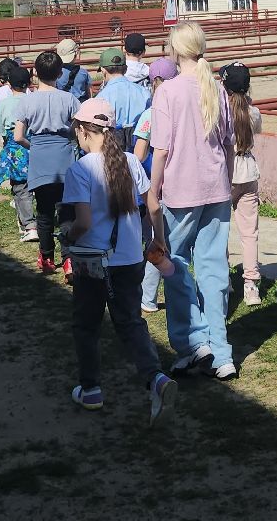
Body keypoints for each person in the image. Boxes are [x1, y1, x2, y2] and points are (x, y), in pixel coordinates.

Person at [63, 97, 176, 424]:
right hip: (129, 260)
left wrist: (66, 239)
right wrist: (158, 240)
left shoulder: (80, 169)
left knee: (86, 324)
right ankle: (156, 379)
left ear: (84, 131)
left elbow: (82, 223)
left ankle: (91, 389)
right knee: (130, 322)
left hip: (93, 262)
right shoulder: (129, 160)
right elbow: (153, 208)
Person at [146, 20, 238, 380]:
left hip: (181, 190)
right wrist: (226, 181)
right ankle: (221, 352)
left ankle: (191, 342)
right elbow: (229, 144)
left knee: (173, 264)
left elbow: (162, 149)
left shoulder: (167, 92)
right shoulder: (216, 88)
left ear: (174, 50)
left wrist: (153, 190)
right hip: (216, 187)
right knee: (214, 271)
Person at [14, 51, 82, 273]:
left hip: (40, 157)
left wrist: (33, 146)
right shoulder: (69, 99)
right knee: (67, 212)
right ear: (60, 73)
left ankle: (46, 258)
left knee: (43, 212)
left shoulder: (27, 100)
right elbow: (77, 129)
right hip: (64, 157)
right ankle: (69, 259)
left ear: (34, 73)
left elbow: (18, 136)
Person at [131, 57, 177, 313]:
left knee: (155, 241)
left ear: (155, 82)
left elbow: (138, 154)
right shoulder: (184, 106)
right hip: (182, 183)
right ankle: (180, 293)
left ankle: (148, 297)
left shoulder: (150, 114)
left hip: (155, 185)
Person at [220, 62, 266, 307]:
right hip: (247, 170)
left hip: (224, 172)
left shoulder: (220, 111)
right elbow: (256, 129)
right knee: (249, 233)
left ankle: (224, 279)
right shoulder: (253, 112)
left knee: (220, 230)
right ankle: (251, 286)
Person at [0, 59, 35, 241]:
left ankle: (29, 225)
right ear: (29, 83)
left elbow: (0, 130)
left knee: (20, 187)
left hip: (15, 149)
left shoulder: (5, 104)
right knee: (38, 186)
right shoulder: (34, 100)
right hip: (36, 147)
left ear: (9, 83)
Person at [94, 48, 147, 152]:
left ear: (103, 70)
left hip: (114, 152)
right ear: (125, 69)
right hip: (140, 150)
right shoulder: (143, 92)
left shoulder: (101, 98)